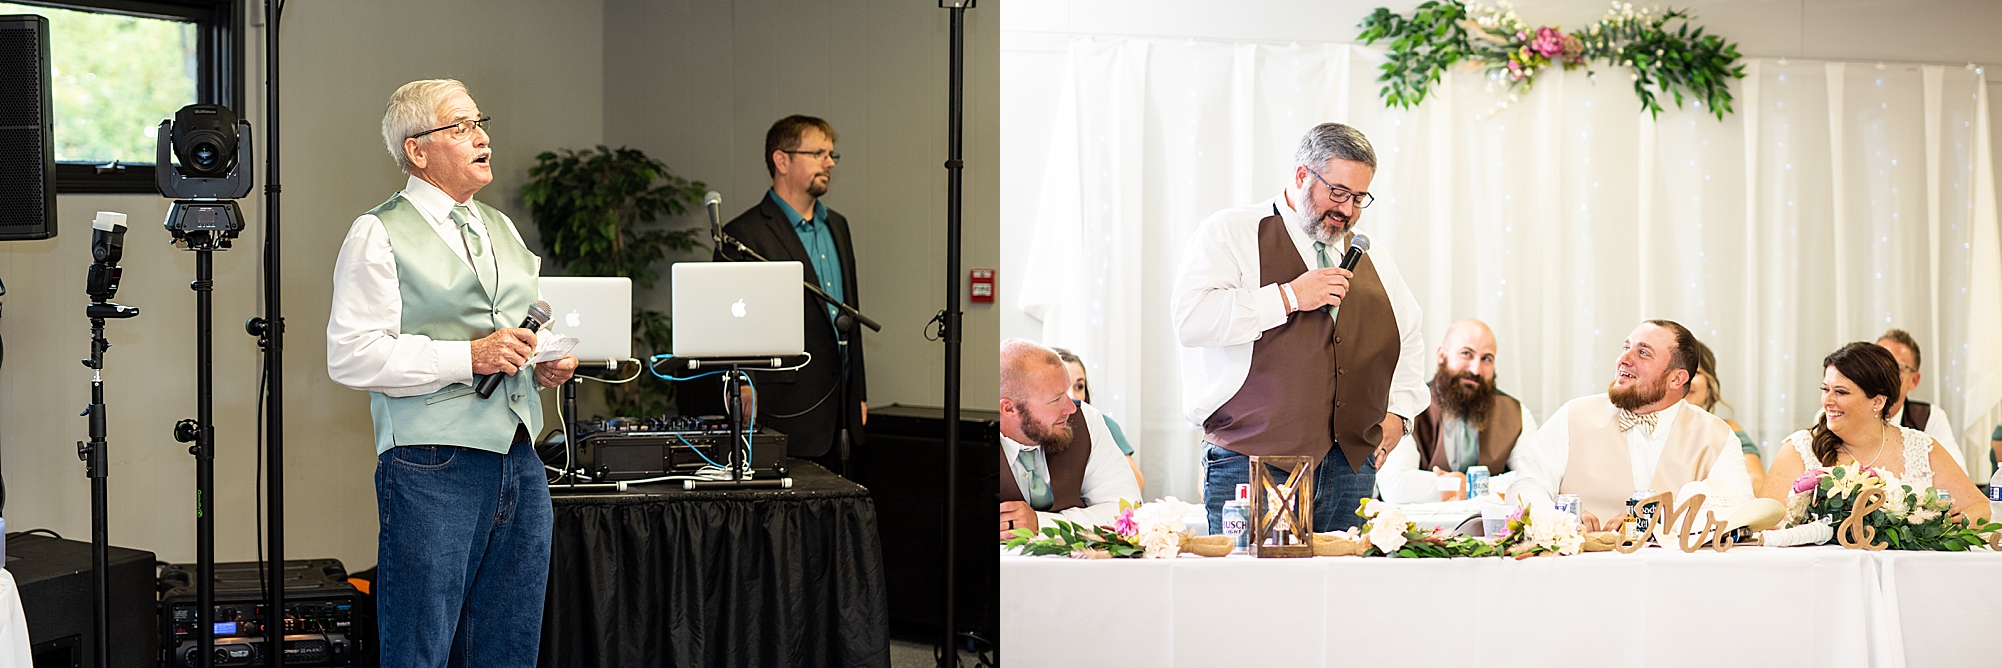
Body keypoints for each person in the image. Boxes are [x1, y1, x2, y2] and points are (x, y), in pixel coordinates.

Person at [327, 79, 579, 667]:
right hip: (431, 463)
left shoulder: (500, 225)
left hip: (520, 457)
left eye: (480, 123)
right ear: (417, 150)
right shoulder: (377, 232)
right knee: (422, 648)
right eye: (460, 126)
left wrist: (545, 359)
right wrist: (470, 357)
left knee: (508, 646)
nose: (481, 137)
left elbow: (512, 323)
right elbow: (351, 355)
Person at [1172, 122, 1426, 534]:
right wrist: (1288, 296)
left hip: (1350, 472)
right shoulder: (1231, 232)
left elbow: (1407, 337)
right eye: (1337, 192)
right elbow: (1191, 319)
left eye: (1358, 198)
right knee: (1252, 577)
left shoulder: (1372, 254)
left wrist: (1400, 413)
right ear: (1302, 175)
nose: (1347, 210)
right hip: (1251, 461)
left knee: (1343, 577)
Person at [711, 115, 866, 472]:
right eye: (818, 154)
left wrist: (858, 392)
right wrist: (741, 385)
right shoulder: (744, 235)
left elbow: (849, 314)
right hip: (784, 410)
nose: (829, 163)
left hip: (841, 412)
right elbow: (727, 327)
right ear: (782, 160)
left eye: (831, 155)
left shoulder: (837, 225)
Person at [1508, 320, 1754, 532]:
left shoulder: (1718, 436)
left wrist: (1659, 522)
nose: (1623, 359)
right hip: (1582, 566)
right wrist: (1557, 517)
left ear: (1676, 378)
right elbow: (1525, 487)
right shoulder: (1571, 416)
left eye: (1643, 352)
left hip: (1677, 570)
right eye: (1626, 348)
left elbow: (1739, 508)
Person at [1759, 342, 1990, 521]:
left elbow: (1984, 509)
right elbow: (1761, 523)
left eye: (1841, 392)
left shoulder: (1921, 449)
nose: (1827, 400)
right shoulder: (1799, 450)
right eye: (1825, 389)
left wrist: (1958, 521)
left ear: (1878, 401)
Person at [1379, 319, 1538, 503]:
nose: (1475, 370)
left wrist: (1465, 486)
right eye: (1466, 354)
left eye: (1486, 359)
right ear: (1442, 355)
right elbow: (1395, 485)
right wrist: (1476, 486)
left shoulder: (1517, 414)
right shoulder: (1406, 408)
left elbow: (1534, 477)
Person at [998, 340, 1142, 541]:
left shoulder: (1087, 422)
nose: (1071, 408)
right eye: (1055, 400)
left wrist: (1042, 524)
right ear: (1009, 408)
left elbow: (1127, 513)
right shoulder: (967, 442)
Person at [1051, 347, 1145, 489]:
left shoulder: (1104, 424)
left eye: (1079, 387)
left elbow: (1137, 483)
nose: (1072, 396)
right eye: (1063, 387)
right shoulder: (1037, 429)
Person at [1874, 329, 1966, 469]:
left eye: (1897, 368)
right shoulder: (1848, 412)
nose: (1884, 373)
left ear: (1914, 380)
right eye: (1878, 364)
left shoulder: (1930, 417)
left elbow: (1958, 473)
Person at [1686, 339, 1765, 487]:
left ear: (1709, 384)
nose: (1687, 380)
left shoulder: (1728, 429)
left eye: (1696, 373)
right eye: (1678, 374)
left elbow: (1758, 483)